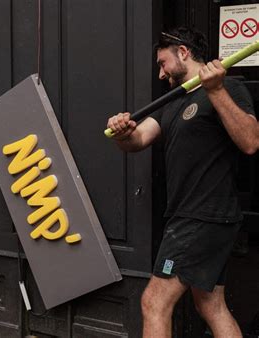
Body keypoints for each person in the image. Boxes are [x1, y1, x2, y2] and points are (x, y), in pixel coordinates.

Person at [106, 27, 257, 337]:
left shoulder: (228, 87)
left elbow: (251, 141)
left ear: (183, 52)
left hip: (202, 216)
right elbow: (138, 139)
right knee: (210, 305)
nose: (161, 74)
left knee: (153, 302)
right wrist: (122, 133)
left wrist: (215, 91)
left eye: (162, 63)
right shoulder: (173, 102)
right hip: (194, 216)